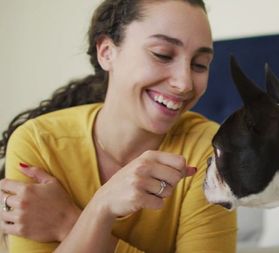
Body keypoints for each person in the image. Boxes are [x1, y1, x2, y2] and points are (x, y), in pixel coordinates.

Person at [0, 0, 237, 252]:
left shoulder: (209, 148)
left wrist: (77, 221)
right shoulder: (38, 142)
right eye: (162, 54)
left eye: (199, 64)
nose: (184, 83)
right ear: (106, 52)